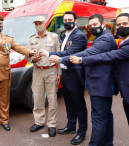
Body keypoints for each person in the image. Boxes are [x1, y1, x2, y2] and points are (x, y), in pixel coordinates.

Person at [48, 14, 118, 146]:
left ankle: (86, 136)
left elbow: (85, 54)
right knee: (104, 115)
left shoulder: (103, 39)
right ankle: (106, 142)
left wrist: (61, 59)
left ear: (103, 24)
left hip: (99, 82)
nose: (92, 28)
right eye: (90, 25)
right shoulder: (99, 37)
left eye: (95, 25)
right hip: (92, 79)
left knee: (97, 116)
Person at [0, 14, 37, 132]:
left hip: (4, 74)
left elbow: (19, 48)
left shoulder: (8, 39)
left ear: (2, 25)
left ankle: (5, 121)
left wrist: (30, 52)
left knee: (4, 99)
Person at [70, 12, 129, 129]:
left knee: (100, 117)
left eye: (125, 23)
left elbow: (109, 55)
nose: (121, 26)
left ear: (103, 24)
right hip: (125, 91)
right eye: (118, 25)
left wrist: (82, 60)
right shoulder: (123, 41)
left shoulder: (112, 40)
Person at [40, 11, 88, 145]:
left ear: (76, 21)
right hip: (66, 73)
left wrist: (48, 53)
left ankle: (81, 132)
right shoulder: (64, 34)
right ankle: (71, 126)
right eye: (65, 20)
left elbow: (69, 53)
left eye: (70, 20)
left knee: (79, 105)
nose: (67, 22)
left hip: (75, 74)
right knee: (68, 103)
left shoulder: (79, 36)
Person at [26, 16, 62, 137]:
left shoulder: (54, 37)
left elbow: (59, 56)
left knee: (52, 99)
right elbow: (27, 57)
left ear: (45, 23)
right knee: (38, 98)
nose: (38, 25)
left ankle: (51, 124)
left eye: (40, 23)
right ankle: (39, 122)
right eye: (36, 23)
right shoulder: (31, 39)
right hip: (37, 71)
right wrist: (33, 59)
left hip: (51, 71)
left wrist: (59, 73)